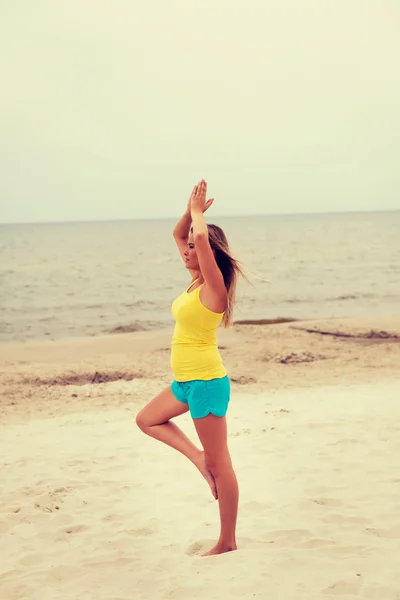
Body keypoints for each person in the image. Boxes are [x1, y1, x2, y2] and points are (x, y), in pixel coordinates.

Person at [136, 179, 245, 556]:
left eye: (193, 248)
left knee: (222, 463)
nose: (185, 250)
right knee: (147, 419)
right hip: (185, 381)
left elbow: (196, 239)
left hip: (206, 383)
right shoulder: (194, 282)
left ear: (209, 254)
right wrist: (189, 211)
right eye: (185, 248)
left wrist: (200, 216)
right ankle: (198, 458)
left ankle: (227, 541)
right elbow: (179, 233)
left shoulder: (213, 288)